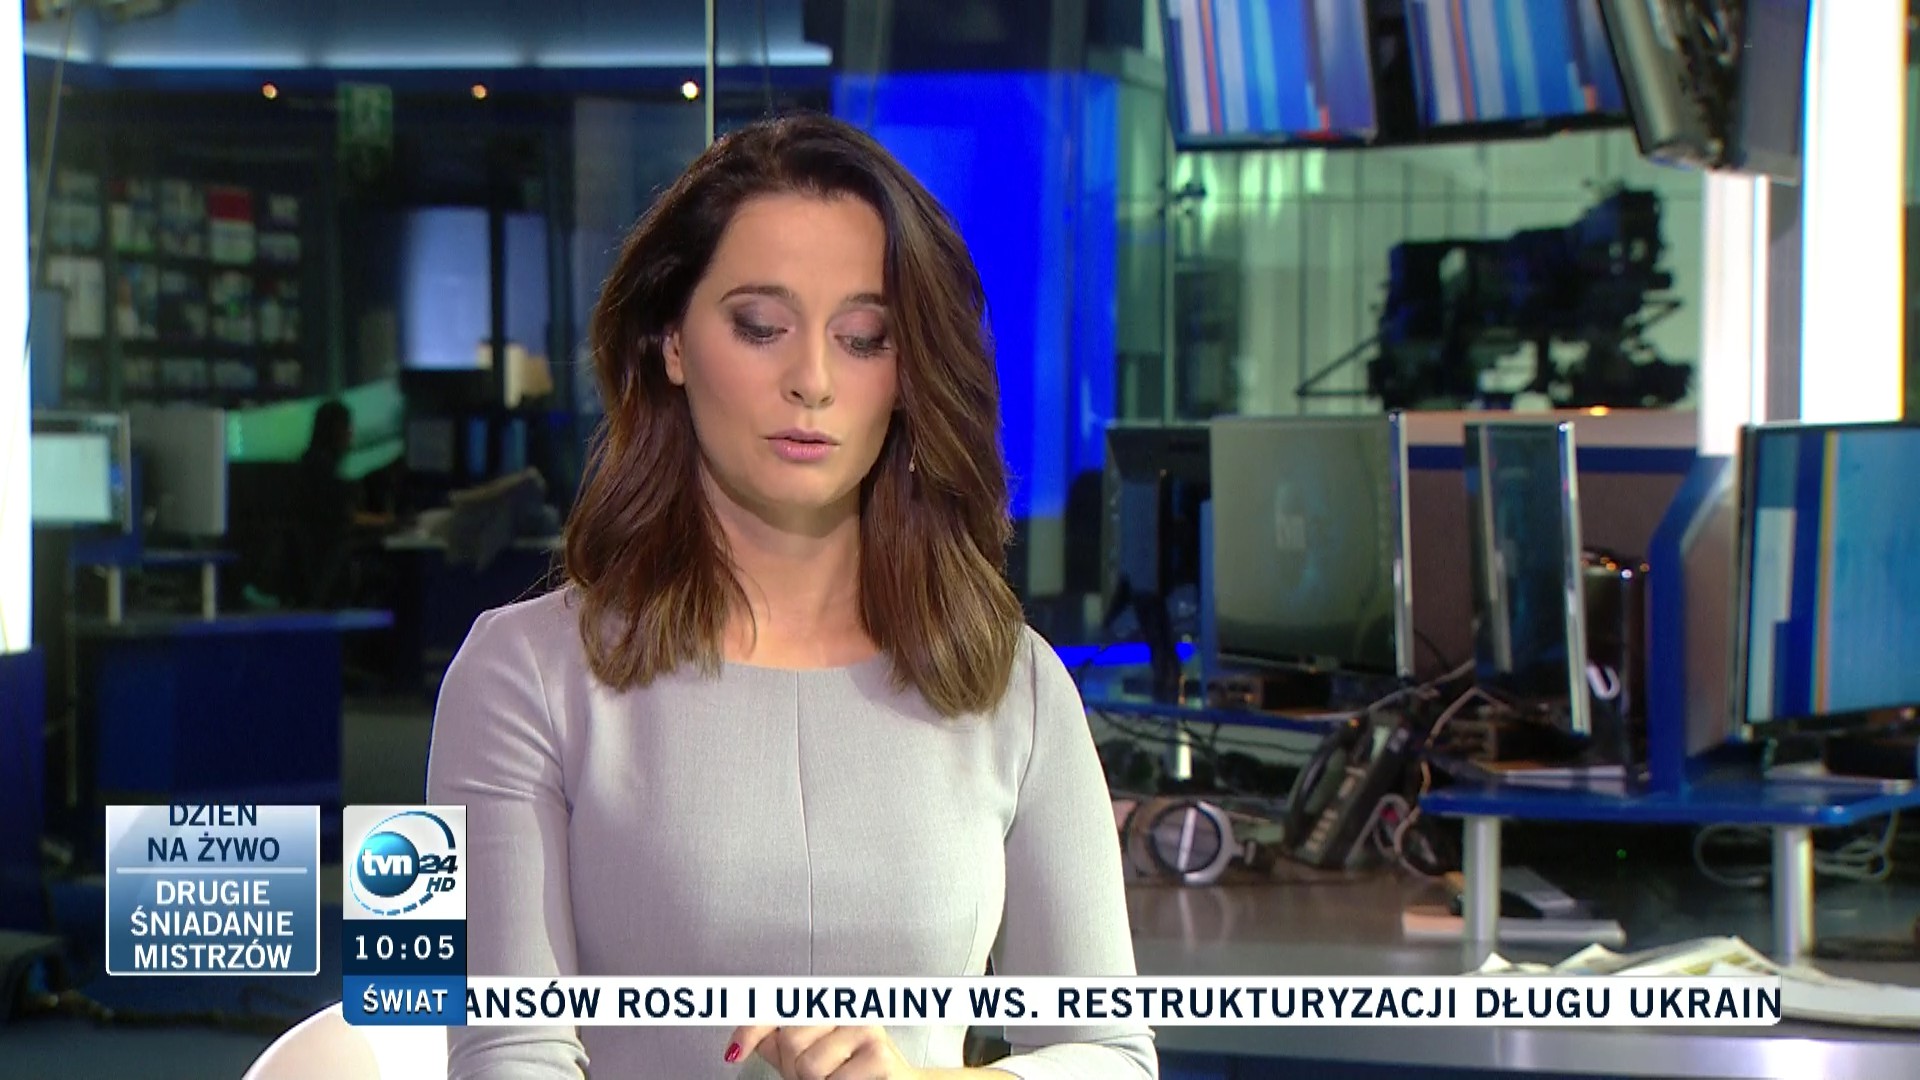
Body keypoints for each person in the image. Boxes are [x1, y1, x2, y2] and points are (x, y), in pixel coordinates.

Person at [425, 114, 1157, 1080]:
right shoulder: (519, 675)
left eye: (863, 338)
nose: (811, 379)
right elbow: (505, 1054)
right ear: (671, 341)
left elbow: (1109, 1053)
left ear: (906, 375)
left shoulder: (1010, 680)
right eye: (761, 328)